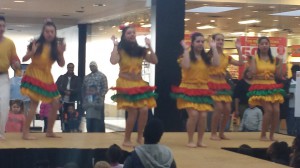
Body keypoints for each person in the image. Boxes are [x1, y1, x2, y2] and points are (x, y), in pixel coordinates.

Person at [110, 26, 158, 147]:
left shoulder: (140, 50)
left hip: (139, 83)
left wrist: (149, 46)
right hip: (125, 83)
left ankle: (140, 137)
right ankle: (126, 138)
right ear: (124, 36)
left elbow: (154, 61)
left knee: (144, 110)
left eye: (133, 33)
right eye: (129, 33)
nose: (132, 35)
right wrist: (115, 45)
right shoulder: (120, 49)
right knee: (133, 112)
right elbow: (113, 61)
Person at [171, 32, 219, 147]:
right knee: (193, 115)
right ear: (192, 43)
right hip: (188, 88)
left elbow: (216, 63)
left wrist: (214, 48)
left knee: (203, 116)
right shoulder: (185, 55)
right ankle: (190, 140)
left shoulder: (206, 58)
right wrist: (186, 50)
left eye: (202, 42)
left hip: (202, 90)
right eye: (198, 41)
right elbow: (186, 66)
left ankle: (200, 140)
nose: (200, 44)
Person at [21, 19, 66, 140]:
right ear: (43, 32)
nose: (50, 34)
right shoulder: (37, 43)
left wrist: (61, 53)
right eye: (47, 31)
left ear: (55, 33)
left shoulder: (56, 47)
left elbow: (62, 64)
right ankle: (25, 132)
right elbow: (24, 59)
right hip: (34, 74)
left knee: (56, 102)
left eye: (52, 31)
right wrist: (32, 52)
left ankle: (49, 131)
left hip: (47, 77)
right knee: (34, 103)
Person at [248, 36, 285, 141]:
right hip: (260, 86)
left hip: (272, 86)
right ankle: (263, 134)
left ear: (269, 45)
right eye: (262, 44)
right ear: (258, 46)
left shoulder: (273, 59)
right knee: (268, 110)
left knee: (277, 111)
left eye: (266, 43)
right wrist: (251, 61)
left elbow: (278, 75)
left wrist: (280, 62)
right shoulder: (255, 58)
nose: (264, 45)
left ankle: (272, 135)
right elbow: (252, 73)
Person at [208, 33, 244, 140]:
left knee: (228, 109)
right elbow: (215, 63)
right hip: (212, 83)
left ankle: (222, 132)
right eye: (218, 39)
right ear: (213, 41)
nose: (221, 42)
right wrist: (214, 48)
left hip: (223, 84)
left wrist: (239, 49)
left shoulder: (227, 57)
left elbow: (241, 63)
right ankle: (213, 133)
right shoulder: (208, 55)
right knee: (218, 108)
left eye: (222, 40)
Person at [0, 15, 21, 139]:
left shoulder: (9, 43)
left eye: (3, 26)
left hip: (3, 77)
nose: (1, 28)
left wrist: (16, 64)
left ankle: (1, 134)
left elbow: (15, 60)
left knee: (3, 106)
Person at [82, 62, 108, 132]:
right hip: (88, 100)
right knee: (89, 118)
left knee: (99, 119)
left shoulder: (102, 76)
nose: (92, 67)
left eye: (93, 66)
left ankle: (100, 134)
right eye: (90, 66)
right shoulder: (86, 77)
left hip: (98, 100)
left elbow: (105, 88)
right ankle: (90, 132)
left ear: (96, 66)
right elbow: (84, 88)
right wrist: (85, 99)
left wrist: (100, 97)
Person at [56, 63, 81, 131]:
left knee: (72, 116)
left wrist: (71, 92)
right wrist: (64, 92)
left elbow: (79, 88)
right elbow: (56, 86)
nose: (71, 69)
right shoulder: (62, 77)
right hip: (63, 100)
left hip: (72, 101)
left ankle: (72, 129)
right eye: (69, 67)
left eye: (72, 67)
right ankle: (64, 129)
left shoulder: (77, 78)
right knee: (63, 115)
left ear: (73, 68)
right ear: (67, 68)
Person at [286, 65, 300, 136]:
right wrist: (288, 95)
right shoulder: (288, 81)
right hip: (291, 107)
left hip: (299, 107)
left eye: (295, 73)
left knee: (298, 127)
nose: (294, 74)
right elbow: (284, 93)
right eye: (293, 72)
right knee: (290, 127)